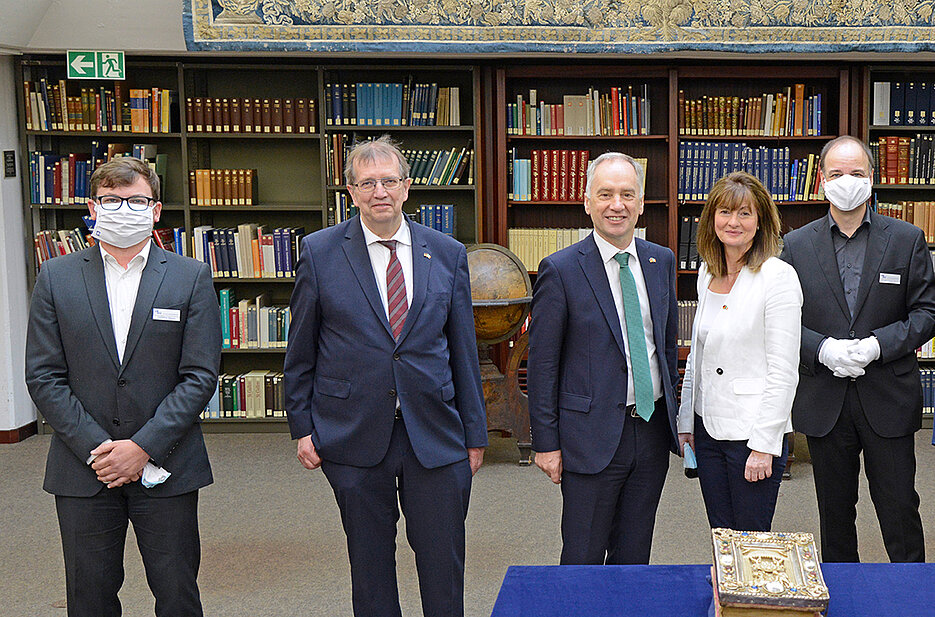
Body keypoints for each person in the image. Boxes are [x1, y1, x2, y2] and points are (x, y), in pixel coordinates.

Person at [284, 136, 486, 617]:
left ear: (407, 188)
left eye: (389, 181)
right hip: (352, 432)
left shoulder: (448, 252)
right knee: (369, 567)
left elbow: (463, 350)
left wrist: (475, 433)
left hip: (434, 433)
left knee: (443, 563)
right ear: (350, 192)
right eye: (367, 183)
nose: (380, 192)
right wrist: (303, 426)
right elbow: (301, 349)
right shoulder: (320, 251)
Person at [24, 157, 221, 617]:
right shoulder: (57, 277)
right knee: (89, 597)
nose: (124, 209)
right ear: (92, 208)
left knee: (177, 594)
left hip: (167, 464)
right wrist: (103, 449)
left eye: (136, 200)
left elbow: (200, 376)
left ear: (155, 211)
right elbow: (44, 375)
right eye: (112, 200)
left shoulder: (190, 276)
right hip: (83, 468)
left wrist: (143, 447)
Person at [781, 135, 935, 563]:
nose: (845, 181)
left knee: (900, 508)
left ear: (872, 178)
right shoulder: (795, 246)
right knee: (834, 515)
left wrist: (877, 346)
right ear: (821, 181)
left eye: (856, 173)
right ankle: (843, 599)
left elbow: (927, 312)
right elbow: (781, 322)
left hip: (887, 395)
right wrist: (821, 348)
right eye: (835, 174)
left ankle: (912, 599)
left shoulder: (906, 238)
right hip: (825, 400)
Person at [527, 152, 680, 565]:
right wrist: (546, 443)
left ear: (642, 202)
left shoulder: (660, 260)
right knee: (584, 555)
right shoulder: (560, 269)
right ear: (587, 201)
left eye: (628, 194)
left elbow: (665, 348)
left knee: (634, 555)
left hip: (649, 431)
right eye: (606, 194)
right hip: (587, 438)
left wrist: (677, 420)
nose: (618, 205)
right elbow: (542, 364)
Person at [677, 172, 802, 532]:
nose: (733, 222)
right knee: (721, 531)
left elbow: (783, 371)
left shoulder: (778, 277)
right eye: (725, 212)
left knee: (751, 538)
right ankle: (724, 591)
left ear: (761, 221)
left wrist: (764, 445)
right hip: (707, 429)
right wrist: (687, 422)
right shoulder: (707, 273)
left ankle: (747, 593)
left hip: (753, 433)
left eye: (745, 214)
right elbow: (698, 357)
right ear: (711, 219)